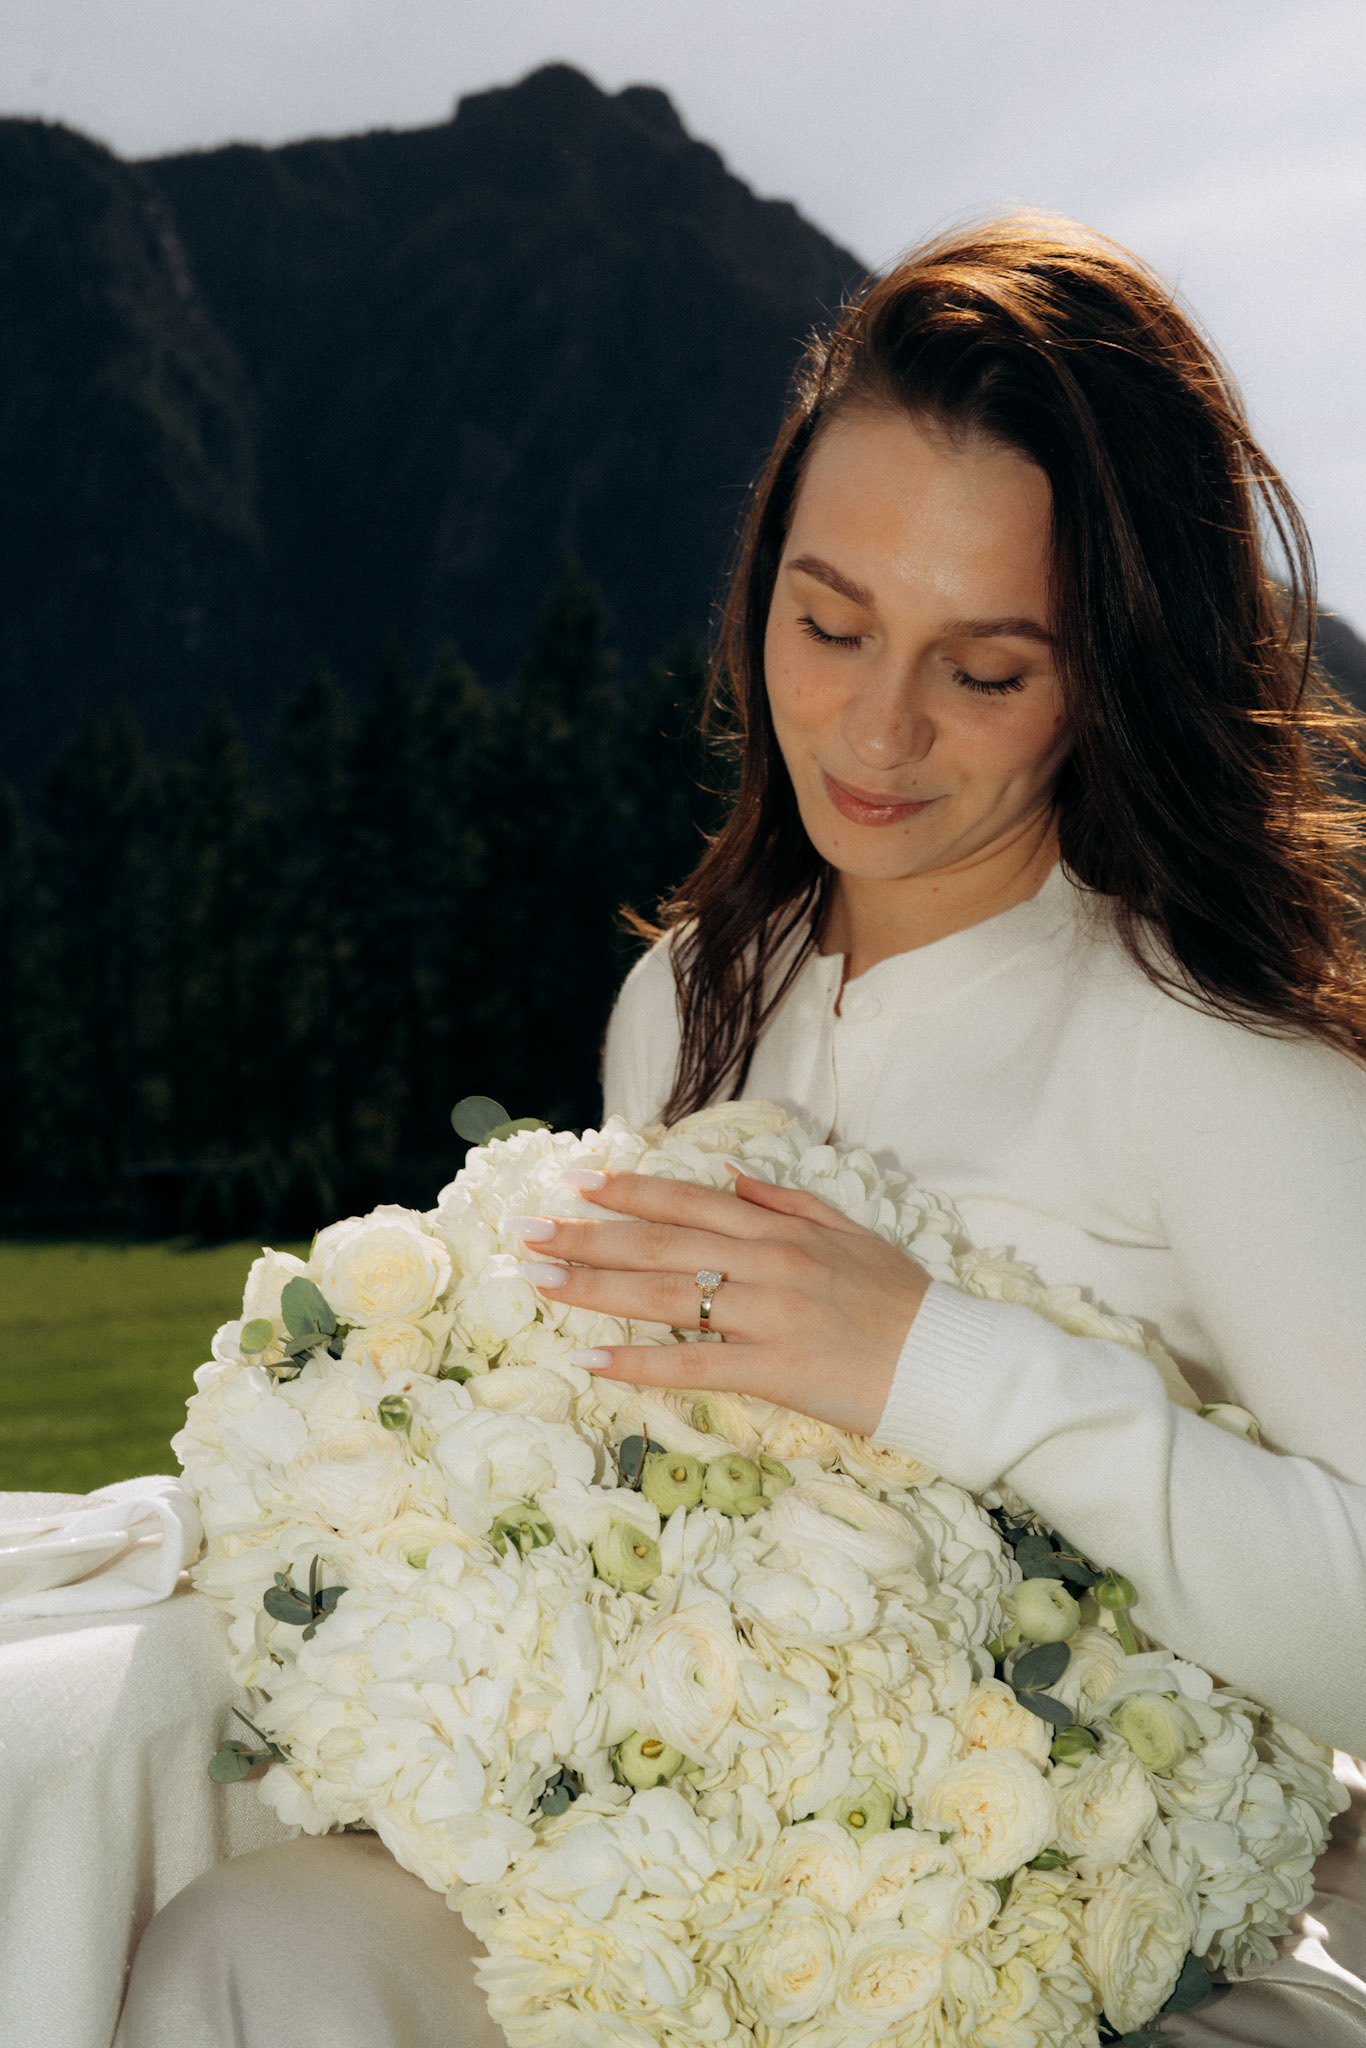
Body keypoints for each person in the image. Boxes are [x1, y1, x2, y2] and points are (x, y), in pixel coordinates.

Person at [117, 216, 1366, 2047]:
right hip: (712, 1913)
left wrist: (949, 1367)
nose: (877, 727)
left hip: (1139, 1953)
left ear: (1112, 669)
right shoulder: (688, 996)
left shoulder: (1218, 1058)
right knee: (253, 1948)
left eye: (985, 669)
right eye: (828, 623)